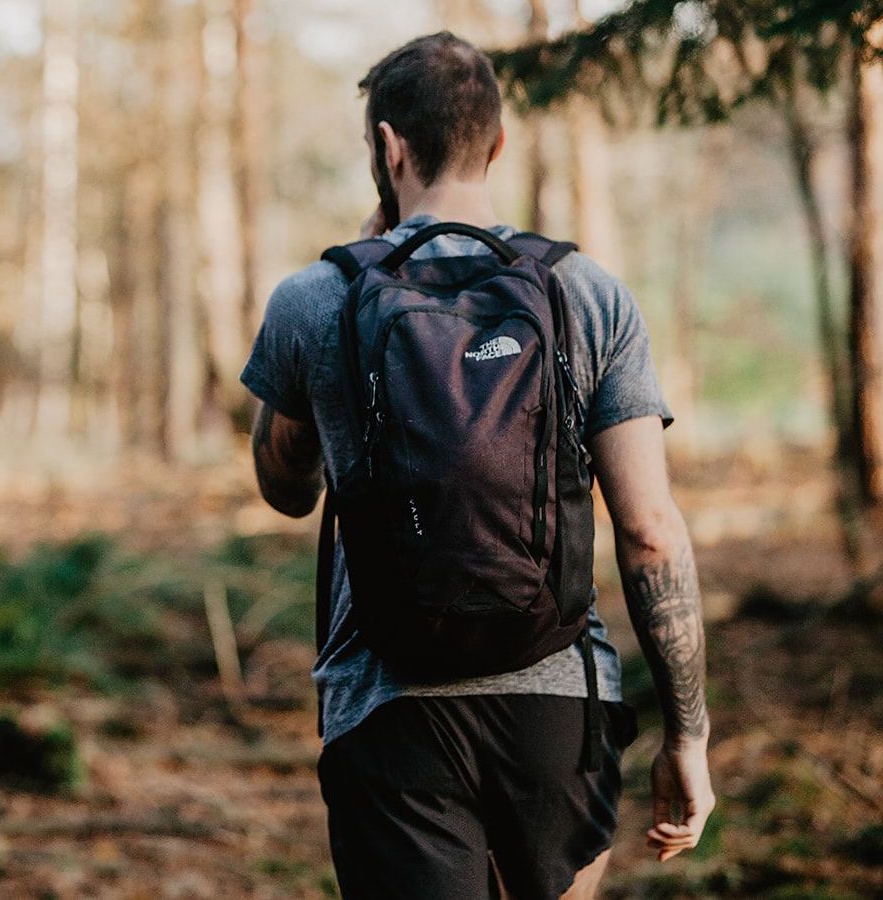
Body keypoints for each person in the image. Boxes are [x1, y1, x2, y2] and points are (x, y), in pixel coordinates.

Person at [242, 33, 714, 899]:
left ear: (388, 148)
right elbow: (649, 533)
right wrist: (689, 734)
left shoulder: (316, 299)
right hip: (559, 706)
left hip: (387, 711)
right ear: (496, 144)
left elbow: (284, 487)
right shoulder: (587, 293)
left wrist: (349, 280)